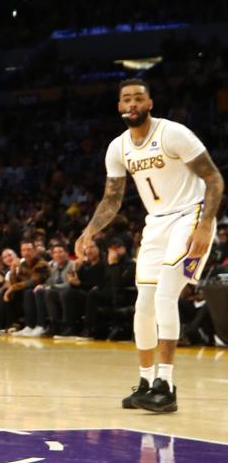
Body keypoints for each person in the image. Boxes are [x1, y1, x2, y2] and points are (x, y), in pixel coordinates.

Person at [76, 79, 222, 413]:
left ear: (150, 103)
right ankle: (145, 382)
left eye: (138, 98)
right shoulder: (118, 148)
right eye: (126, 99)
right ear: (118, 106)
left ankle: (166, 385)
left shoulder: (173, 133)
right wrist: (88, 231)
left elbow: (214, 179)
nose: (132, 104)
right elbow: (111, 199)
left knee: (165, 294)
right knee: (144, 304)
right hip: (156, 224)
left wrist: (204, 225)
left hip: (191, 216)